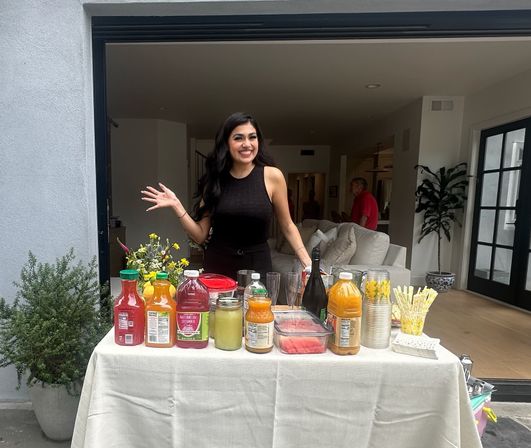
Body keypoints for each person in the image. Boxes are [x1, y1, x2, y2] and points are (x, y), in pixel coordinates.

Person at [141, 112, 312, 280]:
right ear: (226, 143)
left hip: (257, 268)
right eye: (238, 138)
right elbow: (200, 235)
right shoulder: (214, 182)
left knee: (257, 309)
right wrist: (177, 205)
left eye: (252, 137)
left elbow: (288, 226)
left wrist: (309, 264)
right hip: (218, 267)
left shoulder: (272, 176)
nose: (247, 144)